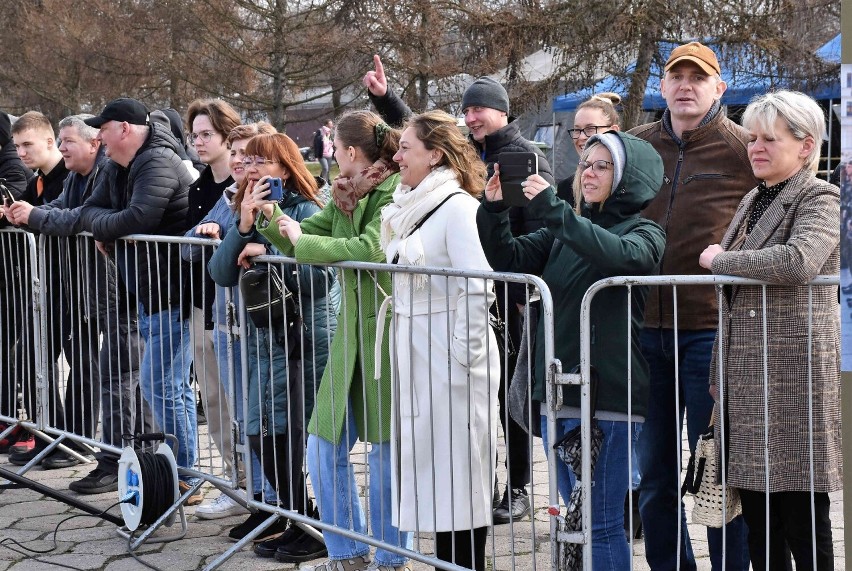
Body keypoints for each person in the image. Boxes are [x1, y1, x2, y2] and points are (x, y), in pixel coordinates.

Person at [364, 53, 554, 523]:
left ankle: (520, 484)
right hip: (468, 293)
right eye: (466, 111)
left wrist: (514, 266)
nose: (471, 117)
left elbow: (546, 221)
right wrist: (387, 100)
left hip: (507, 291)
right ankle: (483, 486)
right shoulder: (467, 152)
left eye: (480, 110)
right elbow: (423, 133)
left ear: (503, 112)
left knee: (511, 394)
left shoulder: (526, 157)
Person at [478, 130, 665, 568]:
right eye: (586, 164)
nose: (589, 173)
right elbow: (508, 258)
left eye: (603, 166)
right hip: (561, 391)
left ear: (627, 177)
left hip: (609, 397)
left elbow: (623, 256)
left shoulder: (645, 230)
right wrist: (494, 209)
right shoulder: (563, 228)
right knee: (573, 515)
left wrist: (553, 209)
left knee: (599, 523)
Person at [256, 109, 413, 571]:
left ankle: (389, 559)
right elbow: (311, 238)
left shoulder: (390, 190)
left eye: (333, 148)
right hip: (351, 338)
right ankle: (348, 551)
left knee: (384, 456)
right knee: (322, 447)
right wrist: (271, 217)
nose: (330, 155)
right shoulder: (345, 191)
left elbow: (370, 250)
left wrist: (300, 239)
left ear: (348, 152)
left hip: (384, 336)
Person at [699, 90, 841, 571]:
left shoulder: (820, 196)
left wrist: (722, 260)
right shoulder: (754, 197)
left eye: (769, 139)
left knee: (803, 520)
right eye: (753, 137)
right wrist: (719, 373)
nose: (754, 147)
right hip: (746, 381)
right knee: (759, 523)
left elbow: (800, 260)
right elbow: (734, 300)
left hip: (793, 381)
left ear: (805, 146)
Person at [629, 41, 753, 570]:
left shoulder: (745, 147)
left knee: (718, 471)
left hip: (709, 329)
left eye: (697, 78)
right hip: (642, 328)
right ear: (662, 85)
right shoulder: (633, 147)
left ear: (718, 88)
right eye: (676, 76)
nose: (685, 85)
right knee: (654, 473)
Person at [209, 132, 338, 560]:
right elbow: (220, 272)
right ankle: (296, 515)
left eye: (262, 161)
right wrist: (244, 225)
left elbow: (321, 280)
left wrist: (273, 247)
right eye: (247, 162)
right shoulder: (249, 211)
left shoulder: (307, 208)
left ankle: (310, 525)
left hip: (303, 338)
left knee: (288, 433)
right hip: (265, 338)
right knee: (259, 429)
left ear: (285, 167)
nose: (252, 169)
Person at [6, 114, 152, 491]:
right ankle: (78, 442)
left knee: (122, 374)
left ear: (94, 144)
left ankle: (117, 455)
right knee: (97, 368)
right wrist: (31, 213)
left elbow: (84, 217)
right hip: (85, 286)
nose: (64, 147)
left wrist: (37, 216)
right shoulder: (76, 175)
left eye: (68, 141)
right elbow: (63, 208)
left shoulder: (109, 171)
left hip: (114, 289)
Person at [381, 110, 499, 571]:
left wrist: (462, 353)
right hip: (415, 348)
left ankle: (468, 564)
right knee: (431, 470)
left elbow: (478, 284)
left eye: (405, 148)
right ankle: (444, 563)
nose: (396, 156)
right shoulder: (408, 204)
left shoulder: (458, 208)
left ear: (434, 155)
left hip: (450, 355)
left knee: (462, 471)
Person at [79, 97, 201, 503]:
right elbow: (90, 209)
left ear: (126, 129)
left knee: (160, 385)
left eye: (104, 128)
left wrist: (104, 229)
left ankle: (186, 475)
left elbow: (139, 218)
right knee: (167, 386)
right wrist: (103, 226)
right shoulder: (121, 164)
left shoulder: (155, 160)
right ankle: (185, 474)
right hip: (151, 291)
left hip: (170, 291)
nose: (99, 137)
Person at [188, 121, 280, 523]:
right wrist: (207, 230)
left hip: (262, 324)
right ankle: (251, 491)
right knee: (242, 413)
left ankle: (273, 498)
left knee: (265, 416)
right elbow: (197, 253)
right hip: (227, 323)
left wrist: (262, 243)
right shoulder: (228, 198)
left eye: (250, 154)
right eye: (238, 153)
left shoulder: (277, 197)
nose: (241, 161)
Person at [181, 98, 242, 513]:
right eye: (195, 135)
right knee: (215, 398)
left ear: (227, 136)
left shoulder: (239, 185)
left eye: (207, 135)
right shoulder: (198, 186)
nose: (199, 142)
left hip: (238, 306)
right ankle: (235, 479)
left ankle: (258, 484)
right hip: (202, 302)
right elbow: (187, 247)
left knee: (239, 398)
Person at [555, 93, 621, 202]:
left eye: (590, 129)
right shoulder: (566, 189)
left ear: (613, 131)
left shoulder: (630, 187)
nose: (581, 137)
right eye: (577, 130)